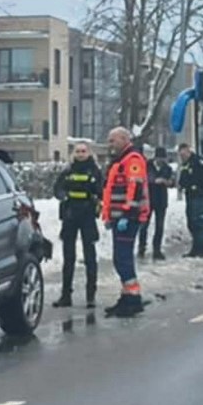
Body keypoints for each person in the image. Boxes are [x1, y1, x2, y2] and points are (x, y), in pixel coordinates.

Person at [102, 127, 150, 318]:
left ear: (124, 139)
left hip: (128, 218)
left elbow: (135, 188)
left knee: (123, 258)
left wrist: (126, 214)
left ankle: (133, 298)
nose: (110, 144)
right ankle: (126, 296)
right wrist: (108, 215)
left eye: (113, 140)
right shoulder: (120, 161)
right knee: (120, 258)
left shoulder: (133, 160)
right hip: (119, 217)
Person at [52, 142, 103, 309]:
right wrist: (63, 196)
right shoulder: (68, 170)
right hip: (70, 216)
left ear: (89, 153)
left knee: (90, 257)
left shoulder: (95, 170)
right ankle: (66, 295)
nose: (80, 154)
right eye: (78, 151)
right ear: (73, 154)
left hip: (87, 216)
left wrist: (96, 198)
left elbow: (101, 190)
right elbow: (57, 188)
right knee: (69, 258)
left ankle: (91, 296)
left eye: (83, 151)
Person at [178, 142, 203, 258]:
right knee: (191, 222)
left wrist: (196, 185)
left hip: (199, 195)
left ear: (188, 151)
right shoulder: (186, 163)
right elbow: (183, 177)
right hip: (190, 195)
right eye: (181, 155)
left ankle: (202, 249)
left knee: (199, 222)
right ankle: (195, 248)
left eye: (184, 154)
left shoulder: (198, 161)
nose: (182, 156)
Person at [139, 146, 172, 261]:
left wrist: (166, 181)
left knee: (160, 226)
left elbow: (171, 181)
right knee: (144, 225)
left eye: (163, 159)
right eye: (160, 159)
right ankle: (141, 247)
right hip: (148, 199)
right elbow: (144, 178)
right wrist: (154, 181)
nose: (161, 161)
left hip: (161, 200)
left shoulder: (167, 168)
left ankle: (156, 249)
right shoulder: (147, 165)